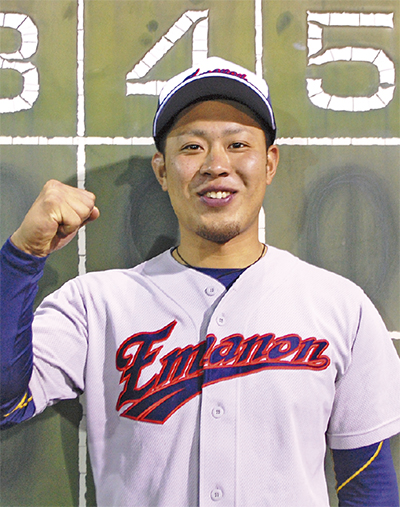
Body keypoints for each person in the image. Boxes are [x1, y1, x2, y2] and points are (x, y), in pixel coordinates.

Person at [1, 57, 400, 506]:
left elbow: (369, 485)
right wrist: (22, 255)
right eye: (192, 146)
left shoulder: (342, 308)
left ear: (270, 163)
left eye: (238, 144)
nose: (216, 164)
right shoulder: (96, 305)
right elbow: (4, 402)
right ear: (161, 170)